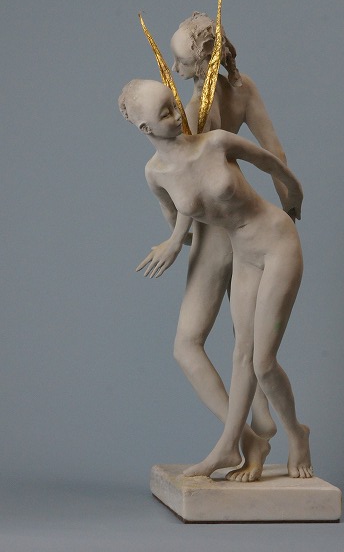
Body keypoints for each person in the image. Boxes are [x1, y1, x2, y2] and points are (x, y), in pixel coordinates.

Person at [118, 79, 313, 481]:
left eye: (174, 104)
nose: (178, 115)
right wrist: (175, 242)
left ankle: (297, 434)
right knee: (242, 354)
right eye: (166, 113)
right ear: (145, 129)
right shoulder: (155, 174)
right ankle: (228, 447)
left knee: (262, 362)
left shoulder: (215, 143)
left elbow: (268, 161)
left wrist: (293, 191)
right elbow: (180, 214)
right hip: (244, 255)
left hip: (277, 243)